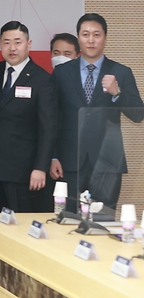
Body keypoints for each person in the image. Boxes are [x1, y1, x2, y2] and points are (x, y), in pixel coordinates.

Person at [50, 14, 144, 209]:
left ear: (105, 37)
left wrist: (117, 93)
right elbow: (52, 117)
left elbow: (138, 114)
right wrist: (53, 156)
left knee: (102, 223)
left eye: (96, 34)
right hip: (69, 162)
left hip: (107, 163)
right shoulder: (62, 73)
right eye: (85, 34)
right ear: (79, 38)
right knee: (69, 222)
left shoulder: (121, 72)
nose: (91, 40)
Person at [0, 21, 58, 213]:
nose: (12, 48)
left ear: (28, 44)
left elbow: (48, 127)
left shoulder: (42, 79)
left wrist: (41, 167)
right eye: (6, 43)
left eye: (17, 42)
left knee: (19, 227)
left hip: (23, 172)